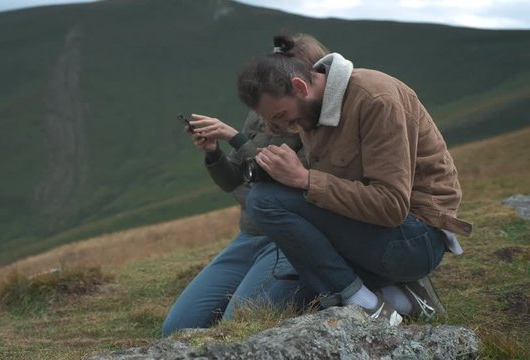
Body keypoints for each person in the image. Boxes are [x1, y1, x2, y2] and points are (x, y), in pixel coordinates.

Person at [236, 35, 472, 326]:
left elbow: (391, 207)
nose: (287, 127)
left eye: (283, 115)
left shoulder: (376, 98)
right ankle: (402, 296)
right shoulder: (312, 109)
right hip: (366, 235)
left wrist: (305, 179)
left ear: (300, 86)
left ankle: (367, 305)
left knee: (263, 201)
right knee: (272, 303)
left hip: (415, 239)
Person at [161, 34, 329, 337]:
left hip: (290, 239)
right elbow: (232, 180)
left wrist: (235, 138)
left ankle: (313, 296)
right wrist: (213, 151)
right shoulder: (260, 113)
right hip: (250, 235)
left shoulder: (318, 121)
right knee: (176, 329)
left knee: (236, 327)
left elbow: (290, 180)